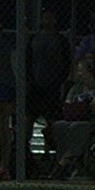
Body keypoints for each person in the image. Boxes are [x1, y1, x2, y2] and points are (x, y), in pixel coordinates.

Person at [49, 58, 95, 180]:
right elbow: (68, 105)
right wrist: (80, 108)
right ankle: (67, 162)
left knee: (78, 127)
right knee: (59, 125)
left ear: (91, 72)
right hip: (73, 119)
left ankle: (65, 162)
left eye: (81, 71)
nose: (79, 73)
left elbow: (93, 108)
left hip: (93, 123)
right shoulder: (76, 88)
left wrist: (79, 108)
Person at [26, 9, 72, 155]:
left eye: (50, 18)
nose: (47, 21)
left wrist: (59, 81)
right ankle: (25, 152)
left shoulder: (60, 40)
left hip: (53, 86)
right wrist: (30, 80)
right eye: (44, 18)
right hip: (36, 86)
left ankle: (55, 152)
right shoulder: (34, 38)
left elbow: (66, 63)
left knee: (53, 120)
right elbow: (28, 61)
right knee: (29, 119)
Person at [0, 14, 16, 180]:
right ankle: (1, 167)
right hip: (6, 86)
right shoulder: (8, 43)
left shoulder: (0, 44)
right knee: (2, 128)